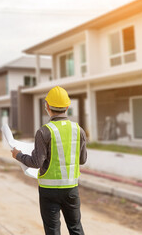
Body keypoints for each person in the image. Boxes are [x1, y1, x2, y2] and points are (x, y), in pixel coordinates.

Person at [11, 86, 87, 235]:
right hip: (71, 189)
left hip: (49, 191)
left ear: (47, 106)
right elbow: (82, 160)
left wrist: (18, 155)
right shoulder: (78, 130)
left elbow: (37, 162)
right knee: (76, 228)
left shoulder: (44, 131)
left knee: (52, 231)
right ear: (67, 106)